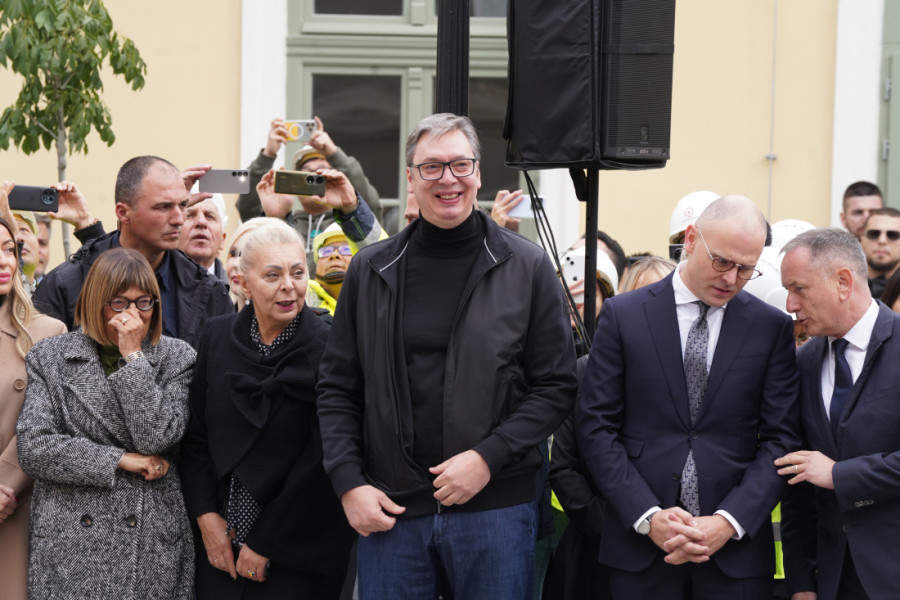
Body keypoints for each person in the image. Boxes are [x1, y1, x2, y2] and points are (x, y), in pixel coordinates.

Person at [316, 113, 577, 599]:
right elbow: (337, 388)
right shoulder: (371, 270)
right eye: (432, 167)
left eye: (460, 164)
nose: (448, 179)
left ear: (478, 173)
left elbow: (556, 386)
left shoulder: (527, 266)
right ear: (411, 179)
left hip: (494, 509)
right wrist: (349, 483)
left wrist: (486, 458)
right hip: (391, 512)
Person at [577, 195, 800, 599]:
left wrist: (729, 521)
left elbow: (782, 439)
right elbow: (596, 428)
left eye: (746, 269)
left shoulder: (770, 328)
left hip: (736, 558)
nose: (731, 278)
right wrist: (648, 517)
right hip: (640, 550)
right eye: (722, 262)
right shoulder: (623, 316)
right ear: (692, 239)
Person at [181, 225, 353, 599]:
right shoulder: (216, 336)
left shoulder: (331, 344)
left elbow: (323, 457)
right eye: (272, 275)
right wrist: (207, 517)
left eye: (297, 272)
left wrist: (265, 542)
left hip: (299, 544)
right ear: (242, 281)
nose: (289, 286)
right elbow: (195, 437)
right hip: (220, 543)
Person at [16, 247, 196, 599]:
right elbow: (35, 447)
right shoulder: (50, 357)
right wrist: (118, 459)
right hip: (70, 541)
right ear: (97, 301)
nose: (133, 314)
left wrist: (133, 356)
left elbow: (157, 436)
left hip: (148, 539)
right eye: (119, 302)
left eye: (144, 302)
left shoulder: (178, 357)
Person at [776, 228, 900, 600]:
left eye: (799, 288)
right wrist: (800, 581)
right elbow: (795, 478)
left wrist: (838, 475)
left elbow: (823, 473)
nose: (789, 304)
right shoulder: (803, 363)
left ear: (843, 282)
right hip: (829, 580)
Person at [33, 156, 234, 348]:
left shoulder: (210, 292)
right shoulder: (63, 285)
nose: (179, 219)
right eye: (163, 207)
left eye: (182, 205)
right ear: (123, 212)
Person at [0, 200, 66, 600]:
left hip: (15, 506)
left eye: (9, 249)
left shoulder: (45, 332)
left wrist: (4, 485)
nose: (4, 260)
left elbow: (46, 422)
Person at [236, 117, 382, 247]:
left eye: (321, 172)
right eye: (307, 173)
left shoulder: (350, 223)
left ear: (334, 179)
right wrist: (268, 154)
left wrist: (334, 153)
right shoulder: (283, 222)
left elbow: (369, 205)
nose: (313, 175)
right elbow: (247, 208)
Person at [178, 194, 228, 281]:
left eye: (209, 216)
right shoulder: (151, 283)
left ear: (222, 240)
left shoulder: (237, 291)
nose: (201, 222)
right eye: (189, 215)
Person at [858, 207, 900, 299]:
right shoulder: (843, 284)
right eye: (874, 234)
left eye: (893, 235)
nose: (882, 240)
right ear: (861, 239)